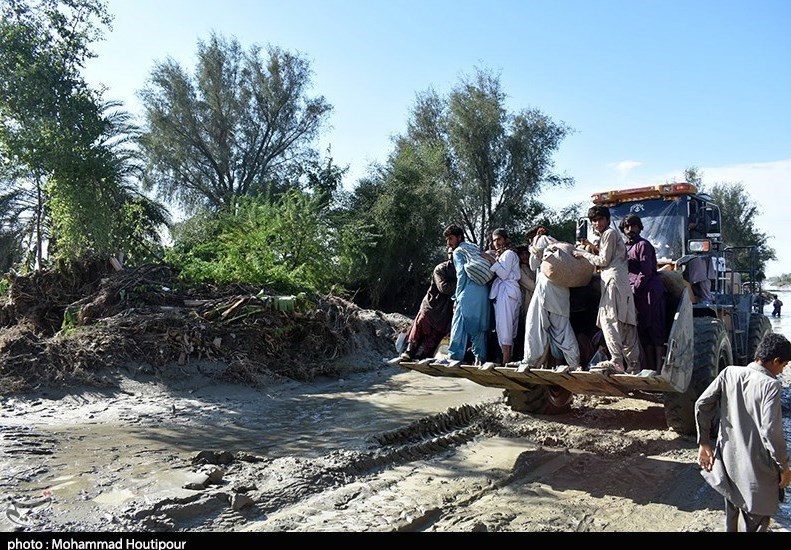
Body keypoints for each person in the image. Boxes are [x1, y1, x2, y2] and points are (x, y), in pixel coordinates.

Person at [695, 332, 791, 532]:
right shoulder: (771, 385)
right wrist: (784, 466)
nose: (782, 371)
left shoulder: (729, 373)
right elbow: (771, 431)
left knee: (731, 515)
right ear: (775, 361)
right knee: (755, 523)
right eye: (783, 366)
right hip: (758, 472)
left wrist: (704, 443)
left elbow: (702, 404)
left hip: (729, 463)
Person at [573, 206, 640, 373]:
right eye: (594, 221)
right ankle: (633, 365)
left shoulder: (609, 234)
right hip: (620, 283)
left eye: (600, 219)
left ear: (608, 219)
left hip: (612, 282)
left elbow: (603, 261)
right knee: (625, 323)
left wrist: (583, 254)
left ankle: (617, 361)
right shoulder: (611, 235)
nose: (597, 223)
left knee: (609, 320)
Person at [518, 227, 580, 372]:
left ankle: (531, 360)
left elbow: (533, 265)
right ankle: (574, 362)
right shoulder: (558, 244)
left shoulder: (540, 241)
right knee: (562, 329)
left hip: (545, 290)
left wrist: (533, 246)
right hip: (561, 291)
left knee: (534, 326)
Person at [620, 214, 667, 373]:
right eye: (626, 227)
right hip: (634, 293)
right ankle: (647, 367)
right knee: (642, 331)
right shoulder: (624, 247)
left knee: (655, 328)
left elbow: (645, 272)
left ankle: (660, 369)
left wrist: (634, 289)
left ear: (639, 227)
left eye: (633, 226)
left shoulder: (643, 245)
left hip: (649, 292)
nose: (630, 229)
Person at [444, 224, 490, 365]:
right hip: (483, 291)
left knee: (459, 323)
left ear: (459, 237)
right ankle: (480, 358)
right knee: (480, 326)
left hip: (468, 291)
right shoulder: (474, 247)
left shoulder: (458, 251)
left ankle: (454, 356)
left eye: (450, 238)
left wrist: (457, 297)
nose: (448, 243)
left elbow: (461, 275)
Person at [400, 252, 457, 361]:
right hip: (431, 305)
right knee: (419, 327)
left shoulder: (462, 270)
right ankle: (409, 351)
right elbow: (444, 288)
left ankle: (421, 354)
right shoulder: (441, 269)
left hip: (445, 311)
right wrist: (462, 283)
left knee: (434, 336)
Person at [481, 228, 521, 365]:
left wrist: (491, 259)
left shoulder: (509, 254)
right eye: (494, 240)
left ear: (505, 239)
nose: (496, 242)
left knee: (505, 328)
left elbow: (503, 274)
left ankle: (506, 360)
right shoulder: (503, 255)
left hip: (507, 292)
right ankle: (507, 359)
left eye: (499, 239)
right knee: (506, 328)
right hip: (506, 292)